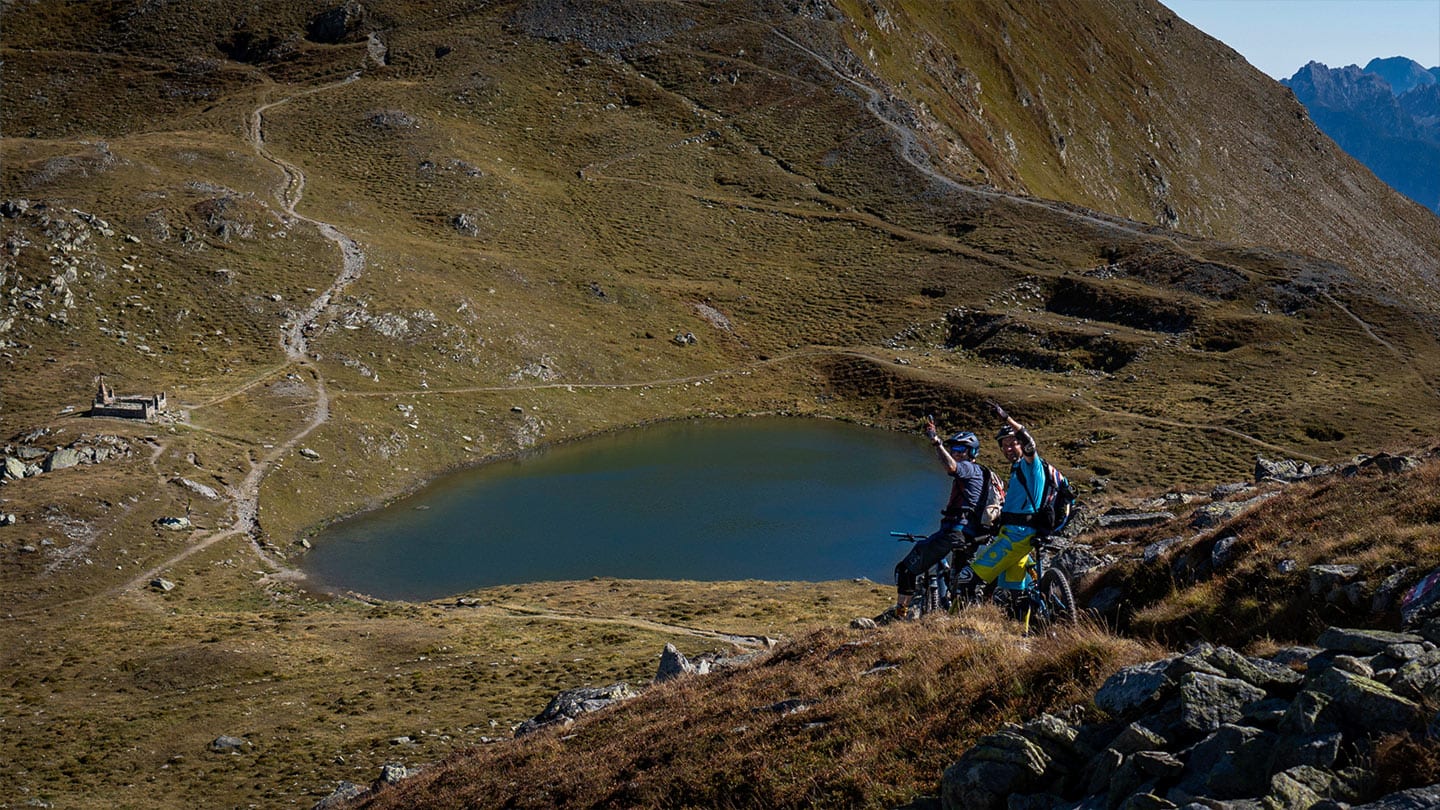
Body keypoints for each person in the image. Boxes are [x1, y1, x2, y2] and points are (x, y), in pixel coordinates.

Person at [877, 416, 988, 623]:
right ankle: (958, 614)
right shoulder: (982, 473)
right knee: (960, 582)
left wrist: (935, 440)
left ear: (972, 454)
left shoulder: (969, 468)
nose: (956, 454)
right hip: (971, 534)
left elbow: (952, 467)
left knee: (906, 569)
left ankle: (899, 617)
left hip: (955, 532)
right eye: (954, 450)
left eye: (961, 451)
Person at [950, 402, 1047, 613]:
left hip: (1017, 537)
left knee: (967, 579)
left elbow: (1030, 442)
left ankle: (961, 628)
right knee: (1014, 594)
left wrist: (1006, 418)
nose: (1009, 448)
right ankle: (1023, 633)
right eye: (1004, 445)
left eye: (1013, 443)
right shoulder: (1017, 470)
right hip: (1013, 536)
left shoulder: (1031, 465)